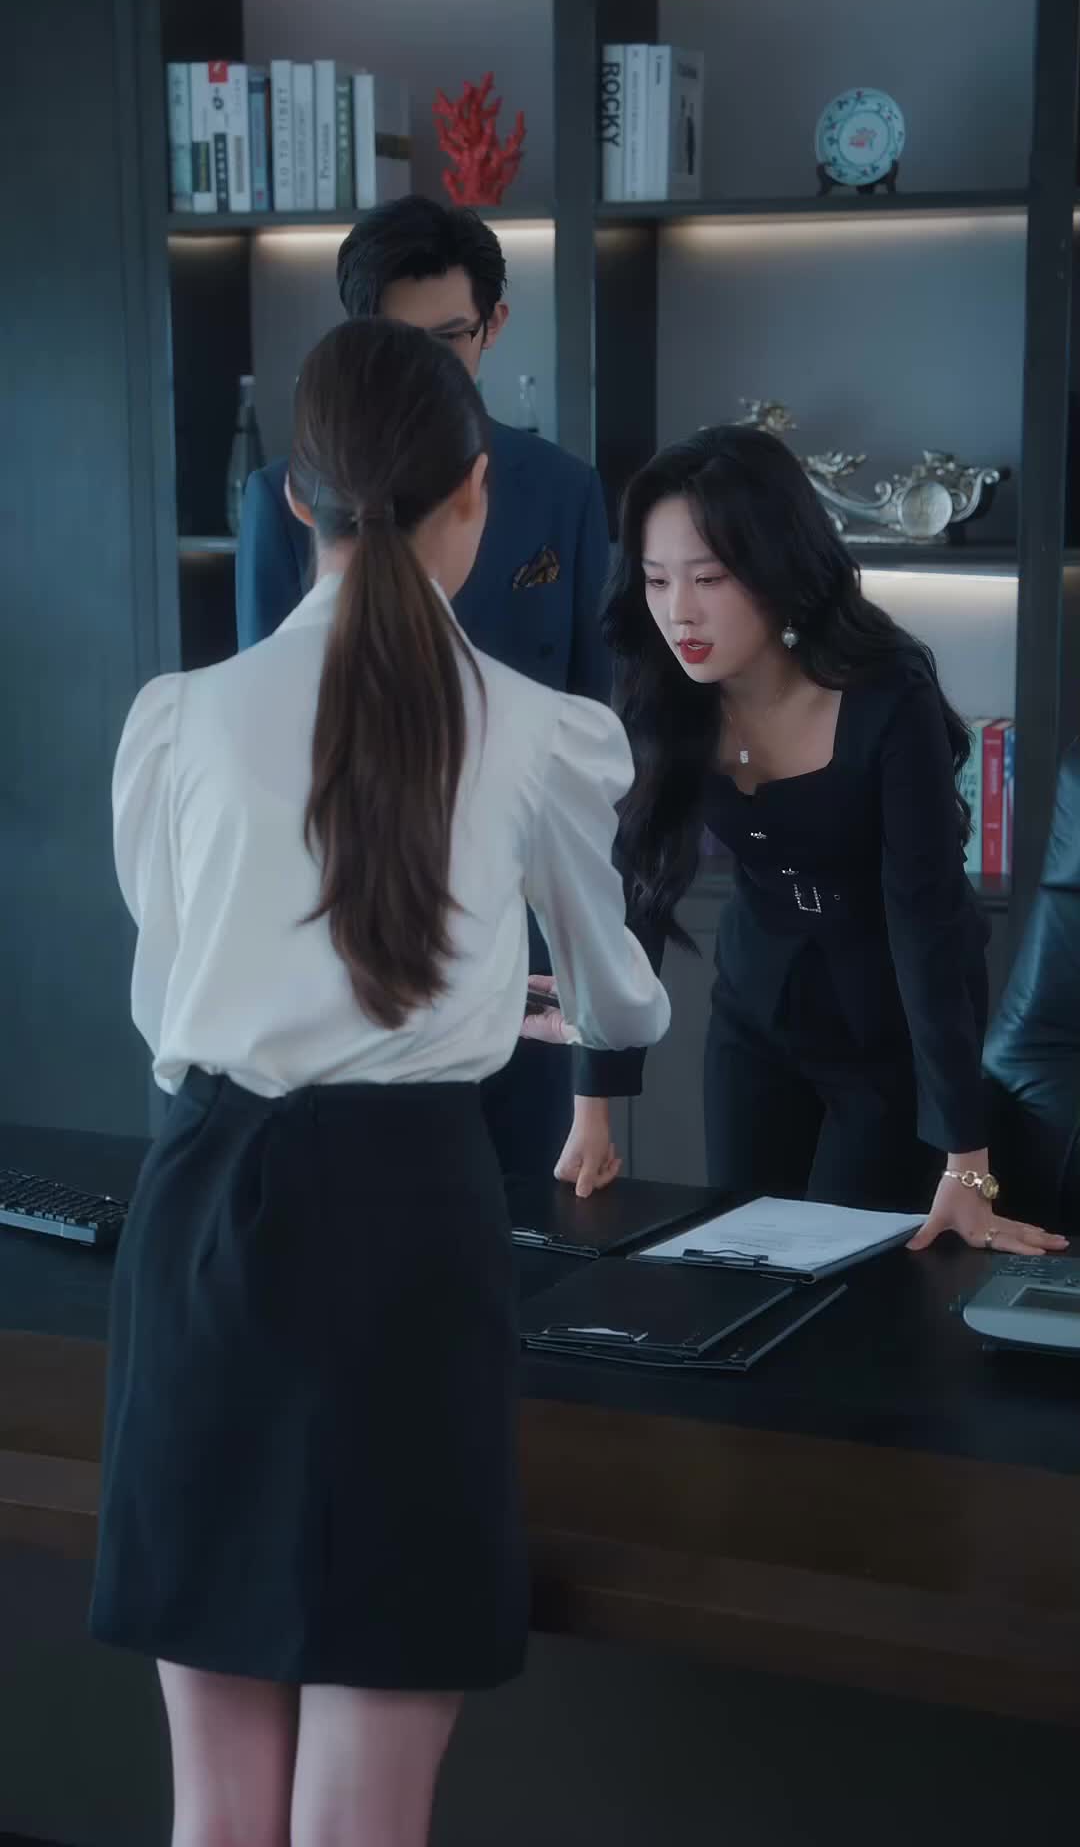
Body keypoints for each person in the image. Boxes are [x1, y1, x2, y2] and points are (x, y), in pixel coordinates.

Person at [90, 317, 668, 1847]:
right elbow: (619, 998)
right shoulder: (539, 732)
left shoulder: (176, 720)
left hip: (207, 1213)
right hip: (411, 1225)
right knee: (367, 1809)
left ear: (297, 497)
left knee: (215, 1807)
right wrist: (513, 1004)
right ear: (475, 494)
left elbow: (170, 1001)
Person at [546, 425, 1064, 1260]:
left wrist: (967, 1163)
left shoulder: (886, 695)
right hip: (753, 1014)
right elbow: (633, 890)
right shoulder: (664, 690)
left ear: (776, 566)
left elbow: (928, 925)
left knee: (856, 1280)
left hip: (888, 1034)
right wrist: (592, 1106)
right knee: (737, 1260)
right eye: (656, 579)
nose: (679, 612)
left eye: (708, 578)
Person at [235, 194, 612, 1182]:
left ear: (494, 325)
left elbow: (592, 722)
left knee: (531, 1219)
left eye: (451, 339)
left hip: (525, 935)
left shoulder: (561, 489)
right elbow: (267, 738)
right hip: (346, 933)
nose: (428, 370)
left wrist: (582, 966)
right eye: (400, 342)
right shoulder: (284, 498)